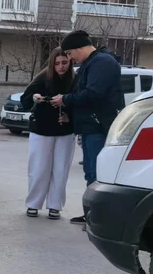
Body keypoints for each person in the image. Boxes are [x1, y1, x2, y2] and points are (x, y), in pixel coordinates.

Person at [50, 30, 124, 226]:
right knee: (91, 172)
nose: (69, 58)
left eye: (69, 53)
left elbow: (92, 94)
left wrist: (65, 99)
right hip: (90, 126)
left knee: (97, 174)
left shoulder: (102, 63)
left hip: (98, 127)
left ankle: (99, 219)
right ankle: (91, 215)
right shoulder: (92, 63)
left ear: (79, 48)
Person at [21, 48, 75, 220]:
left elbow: (82, 102)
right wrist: (35, 97)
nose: (61, 67)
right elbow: (25, 99)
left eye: (64, 63)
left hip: (65, 131)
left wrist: (70, 115)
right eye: (57, 63)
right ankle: (33, 203)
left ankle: (55, 206)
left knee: (61, 170)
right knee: (38, 168)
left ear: (70, 63)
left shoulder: (76, 80)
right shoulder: (43, 78)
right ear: (52, 64)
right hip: (41, 129)